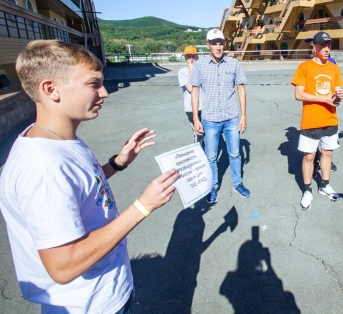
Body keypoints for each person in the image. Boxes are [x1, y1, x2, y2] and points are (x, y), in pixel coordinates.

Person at [0, 40, 179, 313]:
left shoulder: (57, 141)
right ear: (50, 89)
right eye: (93, 84)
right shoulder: (44, 166)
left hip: (104, 292)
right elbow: (63, 266)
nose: (104, 92)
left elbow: (79, 189)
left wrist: (117, 164)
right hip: (89, 305)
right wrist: (143, 206)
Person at [190, 29, 250, 204]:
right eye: (214, 43)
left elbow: (241, 90)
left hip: (231, 117)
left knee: (235, 153)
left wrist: (243, 117)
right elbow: (195, 92)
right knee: (211, 156)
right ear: (207, 45)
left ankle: (237, 183)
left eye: (221, 43)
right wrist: (196, 119)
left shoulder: (234, 64)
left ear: (224, 44)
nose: (218, 47)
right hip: (209, 119)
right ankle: (212, 187)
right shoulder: (200, 65)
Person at [292, 31, 343, 210]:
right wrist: (324, 99)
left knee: (327, 153)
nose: (326, 49)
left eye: (328, 45)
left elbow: (337, 93)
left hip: (330, 118)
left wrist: (339, 96)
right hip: (311, 119)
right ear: (314, 47)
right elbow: (299, 94)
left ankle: (325, 185)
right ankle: (307, 190)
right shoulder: (305, 67)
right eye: (322, 46)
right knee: (309, 156)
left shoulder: (334, 68)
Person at [304, 36, 338, 176]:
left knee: (327, 146)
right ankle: (314, 163)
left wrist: (337, 95)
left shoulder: (332, 63)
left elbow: (334, 83)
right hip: (314, 109)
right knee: (313, 145)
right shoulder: (308, 64)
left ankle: (327, 163)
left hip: (328, 108)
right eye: (311, 45)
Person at [178, 45, 204, 148]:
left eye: (193, 56)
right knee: (199, 135)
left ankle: (208, 156)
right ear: (185, 57)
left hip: (205, 107)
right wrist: (191, 70)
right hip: (191, 109)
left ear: (197, 56)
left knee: (209, 135)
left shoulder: (203, 70)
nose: (191, 59)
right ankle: (199, 154)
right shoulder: (182, 71)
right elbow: (190, 88)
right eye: (188, 56)